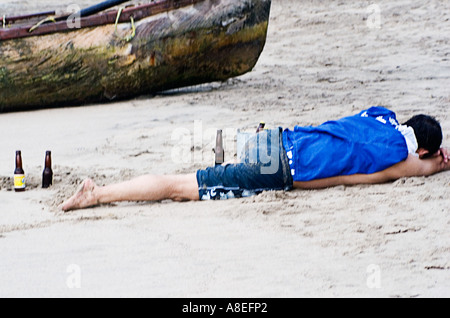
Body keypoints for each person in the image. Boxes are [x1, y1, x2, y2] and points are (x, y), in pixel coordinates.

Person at [60, 106, 449, 212]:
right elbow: (423, 166)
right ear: (425, 147)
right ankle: (99, 194)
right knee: (181, 188)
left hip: (275, 136)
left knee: (203, 171)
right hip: (279, 165)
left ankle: (104, 192)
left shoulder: (378, 117)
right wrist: (439, 161)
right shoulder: (400, 155)